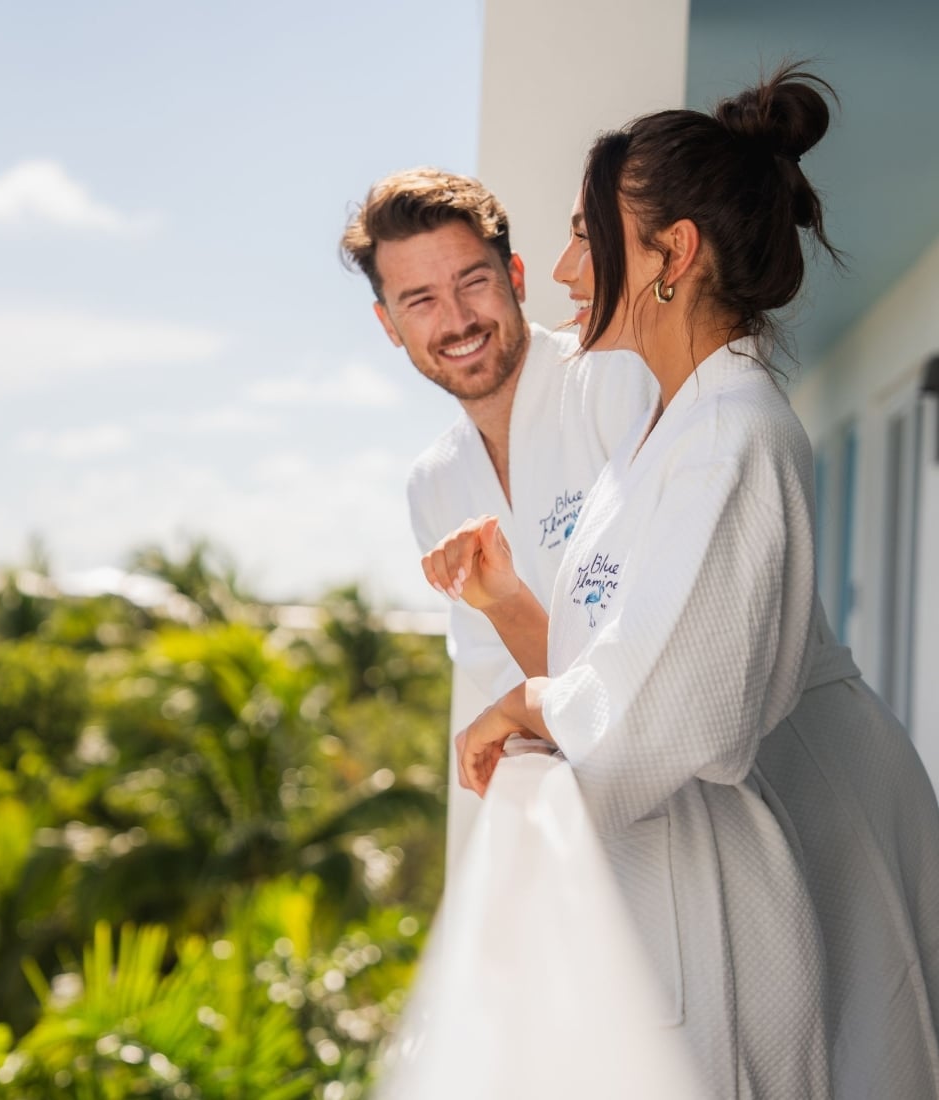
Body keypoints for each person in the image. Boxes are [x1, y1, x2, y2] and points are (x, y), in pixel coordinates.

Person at [423, 64, 939, 1097]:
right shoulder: (664, 425)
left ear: (673, 253)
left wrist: (529, 701)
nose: (567, 268)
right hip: (737, 808)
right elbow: (636, 651)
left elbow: (680, 711)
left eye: (588, 234)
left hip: (811, 805)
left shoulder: (730, 435)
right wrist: (512, 611)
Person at [340, 168, 655, 867]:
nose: (455, 322)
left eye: (472, 282)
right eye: (419, 300)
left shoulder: (614, 382)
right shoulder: (436, 485)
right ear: (387, 323)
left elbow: (644, 675)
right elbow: (533, 704)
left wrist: (515, 625)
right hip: (612, 834)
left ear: (515, 276)